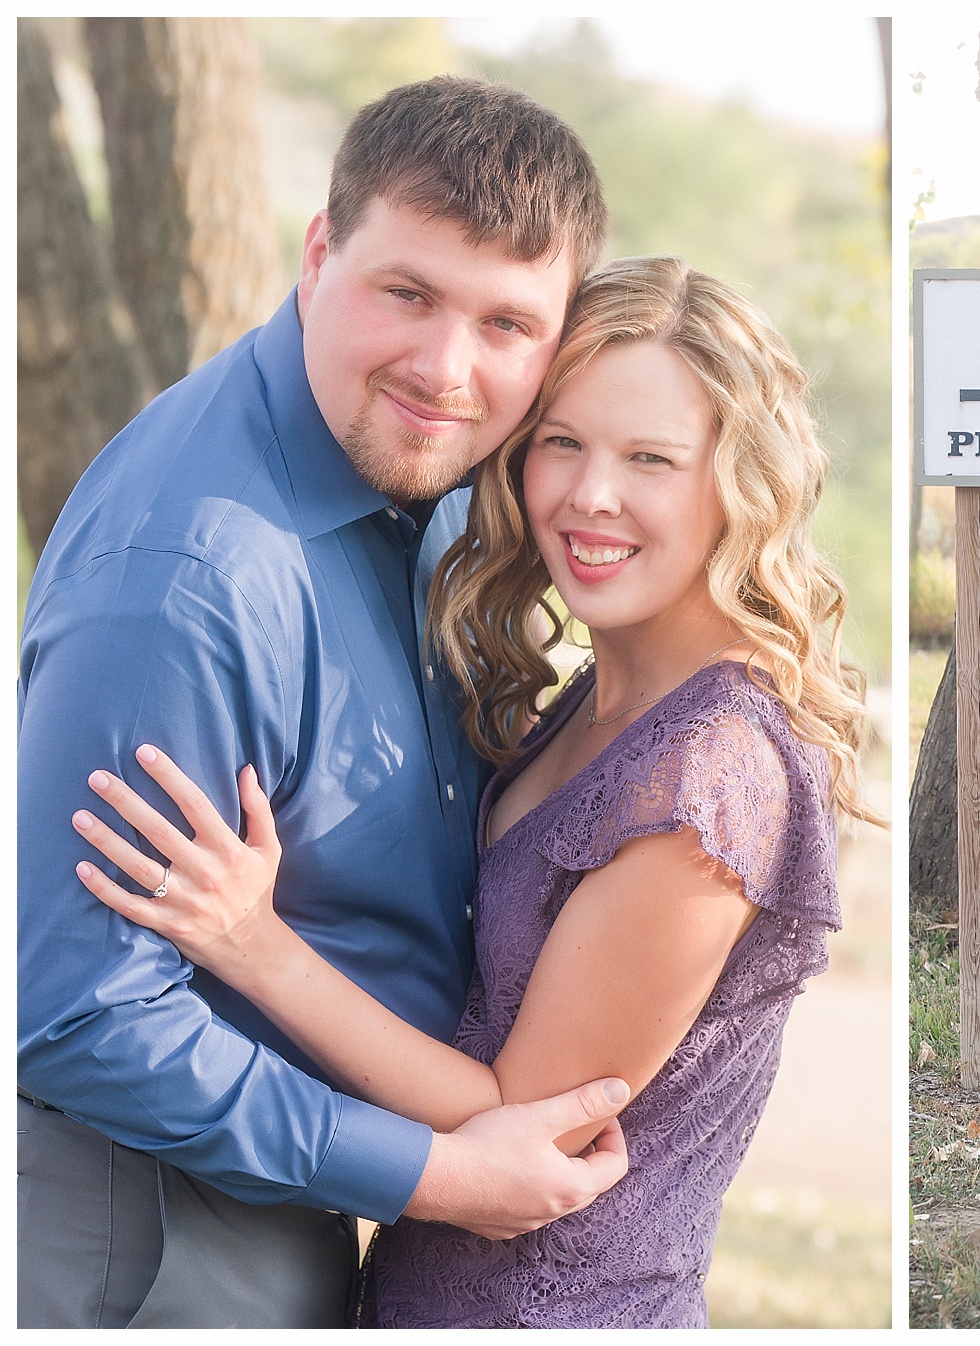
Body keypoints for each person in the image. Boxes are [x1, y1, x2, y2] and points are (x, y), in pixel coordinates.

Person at [71, 256, 873, 1327]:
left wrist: (254, 944)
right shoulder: (603, 687)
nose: (593, 493)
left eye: (651, 458)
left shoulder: (712, 775)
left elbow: (519, 1118)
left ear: (739, 481)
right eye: (563, 442)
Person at [18, 78, 631, 1328]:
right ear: (319, 251)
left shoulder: (435, 474)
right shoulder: (187, 582)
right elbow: (76, 1014)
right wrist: (441, 1174)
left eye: (508, 323)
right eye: (407, 293)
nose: (446, 368)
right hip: (147, 1237)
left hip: (296, 1205)